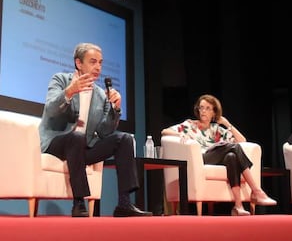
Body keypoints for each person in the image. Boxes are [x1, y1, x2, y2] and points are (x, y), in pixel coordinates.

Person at [38, 42, 152, 217]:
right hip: (57, 144)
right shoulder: (61, 80)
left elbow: (105, 132)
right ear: (78, 63)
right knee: (76, 137)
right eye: (93, 61)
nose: (98, 67)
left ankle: (124, 203)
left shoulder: (100, 94)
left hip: (83, 147)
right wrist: (69, 92)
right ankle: (78, 202)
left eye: (100, 62)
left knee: (125, 139)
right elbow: (51, 110)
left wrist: (115, 109)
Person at [161, 93, 277, 216]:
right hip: (200, 159)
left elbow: (242, 140)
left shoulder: (217, 129)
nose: (203, 111)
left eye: (207, 108)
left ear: (214, 113)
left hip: (215, 158)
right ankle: (257, 191)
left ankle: (238, 206)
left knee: (231, 157)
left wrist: (227, 124)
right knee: (233, 147)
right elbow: (164, 131)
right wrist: (180, 134)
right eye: (201, 108)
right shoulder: (190, 125)